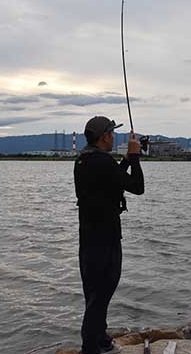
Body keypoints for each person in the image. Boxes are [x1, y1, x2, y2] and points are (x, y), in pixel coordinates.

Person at [74, 116, 144, 354]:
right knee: (101, 294)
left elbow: (111, 181)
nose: (114, 137)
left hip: (88, 240)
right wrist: (134, 157)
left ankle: (100, 339)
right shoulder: (102, 162)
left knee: (93, 293)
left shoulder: (83, 160)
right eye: (112, 133)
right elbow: (137, 186)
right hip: (106, 240)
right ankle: (90, 347)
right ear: (104, 136)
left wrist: (124, 161)